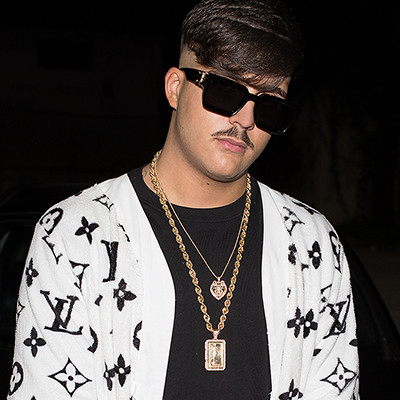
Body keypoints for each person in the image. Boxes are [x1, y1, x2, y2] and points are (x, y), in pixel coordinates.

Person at [8, 0, 359, 399]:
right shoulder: (75, 236)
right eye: (225, 90)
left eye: (269, 105)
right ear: (175, 87)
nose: (245, 120)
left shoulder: (311, 242)